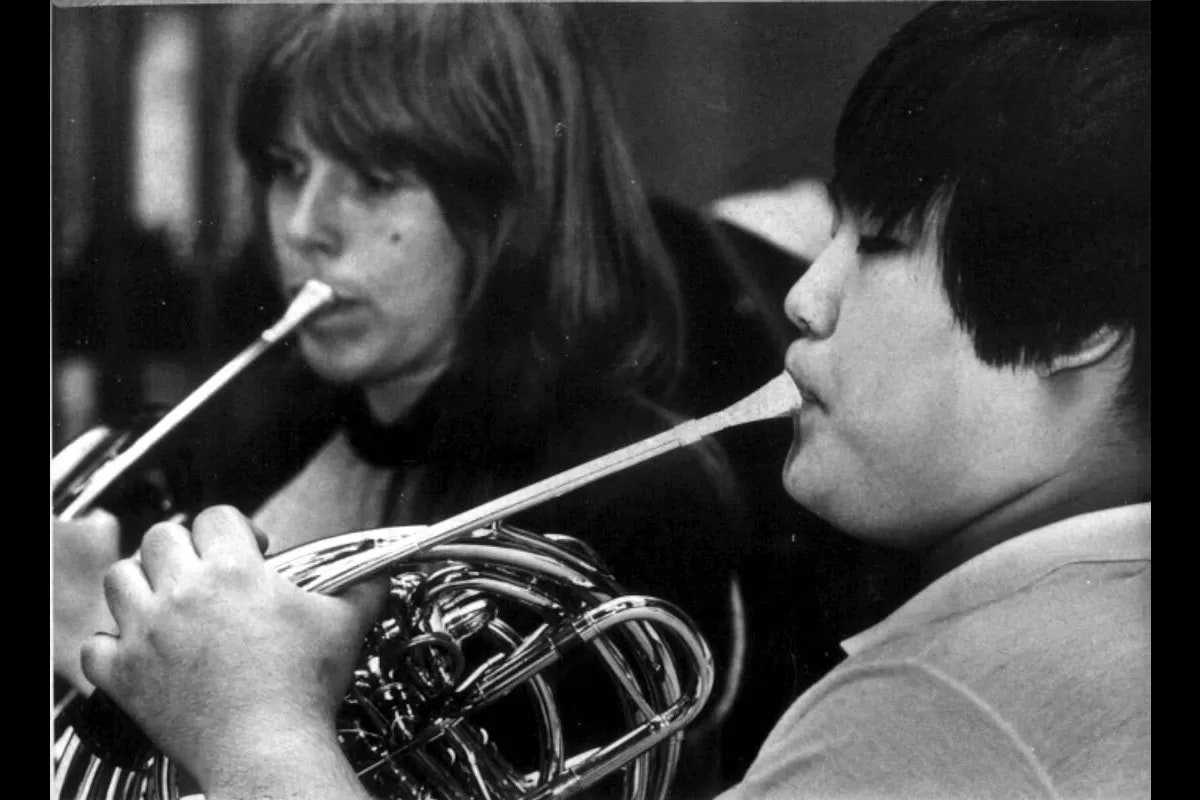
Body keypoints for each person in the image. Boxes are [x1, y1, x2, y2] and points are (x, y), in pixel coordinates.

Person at [78, 2, 1152, 798]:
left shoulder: (930, 715)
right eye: (281, 167)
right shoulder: (271, 419)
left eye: (873, 243)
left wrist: (252, 727)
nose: (802, 293)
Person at [53, 4, 765, 795]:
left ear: (510, 201)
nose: (306, 225)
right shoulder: (263, 427)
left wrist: (102, 661)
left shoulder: (633, 491)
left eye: (377, 179)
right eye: (289, 167)